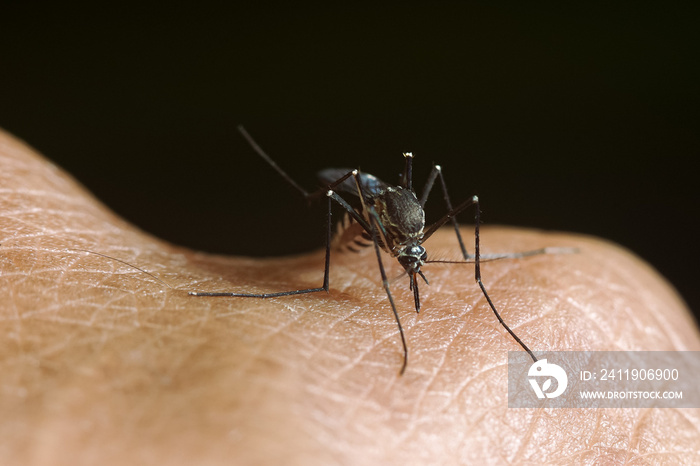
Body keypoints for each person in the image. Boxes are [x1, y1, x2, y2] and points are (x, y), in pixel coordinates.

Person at [1, 128, 698, 464]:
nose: (415, 269)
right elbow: (367, 202)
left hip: (397, 216)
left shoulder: (425, 233)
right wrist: (397, 336)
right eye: (413, 261)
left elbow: (427, 232)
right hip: (362, 209)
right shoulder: (386, 227)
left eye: (417, 260)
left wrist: (478, 277)